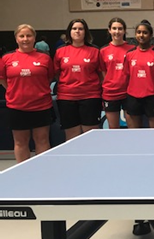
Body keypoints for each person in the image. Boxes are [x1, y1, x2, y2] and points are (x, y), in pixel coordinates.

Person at [0, 24, 54, 163]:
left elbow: (48, 78)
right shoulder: (7, 58)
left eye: (29, 36)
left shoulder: (45, 58)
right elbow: (3, 79)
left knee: (42, 140)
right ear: (16, 39)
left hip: (41, 106)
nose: (25, 39)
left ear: (34, 38)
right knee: (20, 142)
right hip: (17, 107)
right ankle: (22, 172)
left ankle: (42, 171)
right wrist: (15, 90)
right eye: (22, 36)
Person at [54, 19, 102, 140]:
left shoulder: (95, 51)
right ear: (69, 32)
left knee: (91, 136)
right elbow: (56, 73)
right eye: (74, 28)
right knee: (71, 136)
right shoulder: (60, 51)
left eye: (81, 29)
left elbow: (101, 74)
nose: (77, 31)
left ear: (85, 32)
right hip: (67, 98)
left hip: (90, 97)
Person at [123, 20, 154, 128]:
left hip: (153, 97)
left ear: (150, 35)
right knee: (135, 133)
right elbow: (127, 75)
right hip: (133, 97)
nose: (141, 35)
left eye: (145, 33)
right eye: (139, 32)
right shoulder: (129, 54)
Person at [99, 17, 135, 129]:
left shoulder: (132, 49)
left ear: (124, 31)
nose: (117, 32)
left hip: (129, 93)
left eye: (120, 29)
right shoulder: (103, 51)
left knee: (133, 128)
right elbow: (103, 72)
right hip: (110, 94)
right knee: (113, 129)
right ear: (109, 30)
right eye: (114, 28)